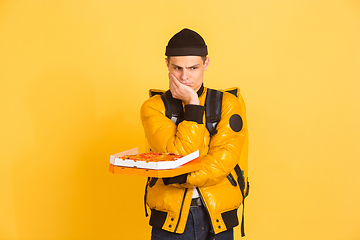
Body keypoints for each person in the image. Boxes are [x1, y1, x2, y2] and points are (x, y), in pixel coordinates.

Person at [140, 28, 248, 240]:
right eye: (177, 68)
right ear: (167, 64)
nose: (184, 76)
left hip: (218, 217)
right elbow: (179, 156)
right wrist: (193, 104)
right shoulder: (153, 107)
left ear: (206, 64)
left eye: (193, 68)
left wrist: (180, 176)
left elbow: (222, 162)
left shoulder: (227, 104)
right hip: (170, 220)